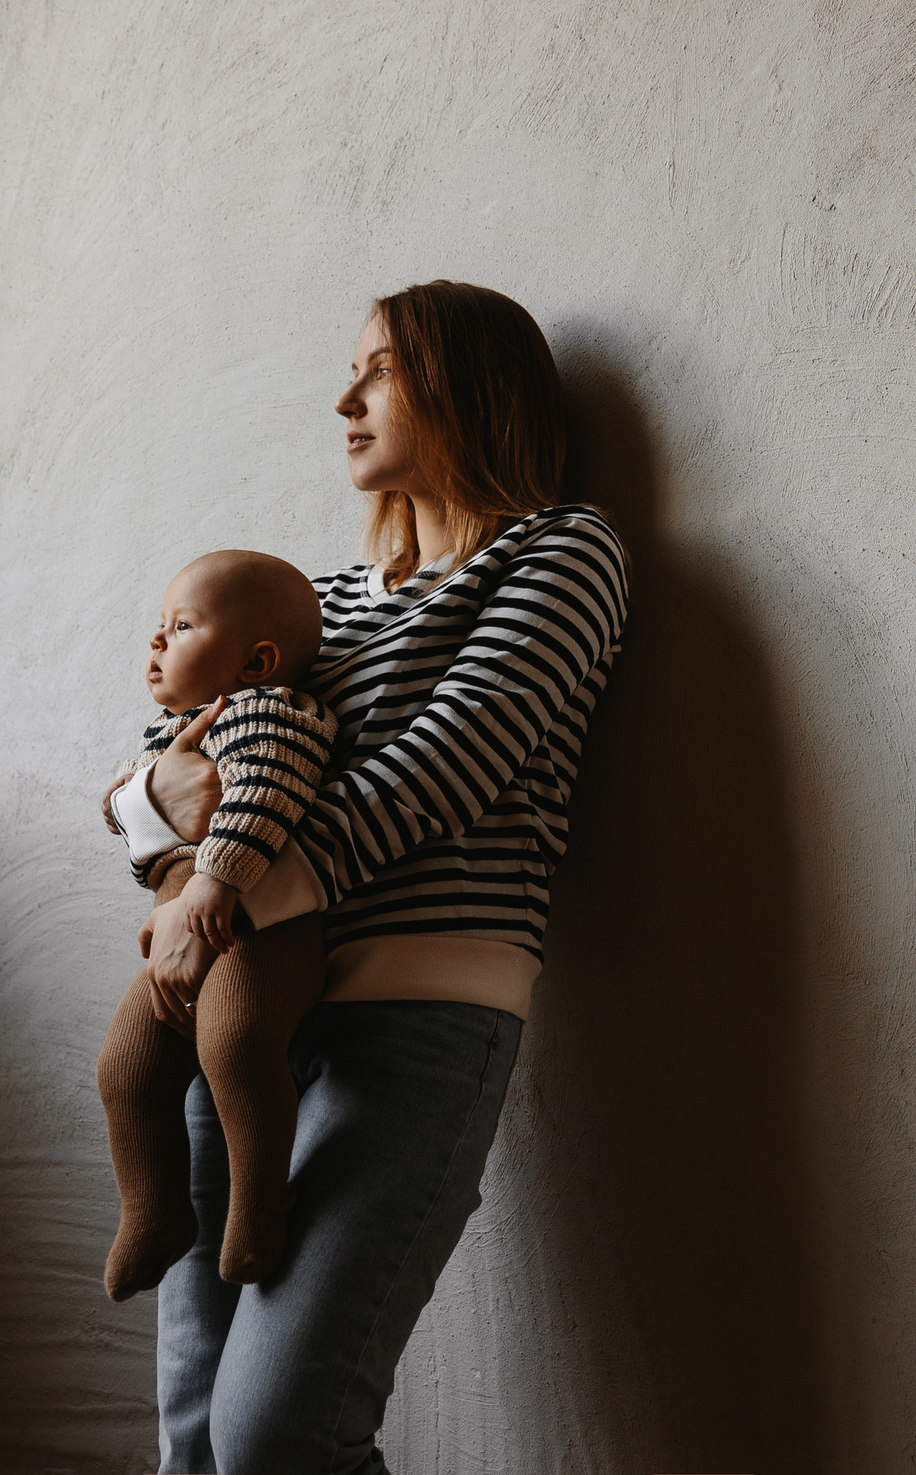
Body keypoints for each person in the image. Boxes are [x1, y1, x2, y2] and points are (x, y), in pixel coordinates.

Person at [116, 281, 630, 1472]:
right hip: (238, 1001)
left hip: (418, 1017)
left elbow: (445, 768)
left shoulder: (563, 550)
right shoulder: (323, 604)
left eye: (380, 369)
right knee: (191, 1434)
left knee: (275, 1430)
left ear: (469, 384)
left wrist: (219, 883)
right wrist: (149, 812)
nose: (344, 399)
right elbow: (175, 771)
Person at [95, 551, 339, 1301]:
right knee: (124, 1067)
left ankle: (260, 1201)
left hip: (259, 930)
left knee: (235, 1043)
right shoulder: (170, 731)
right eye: (159, 625)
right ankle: (154, 1210)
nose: (156, 641)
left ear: (256, 662)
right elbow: (131, 818)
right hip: (180, 930)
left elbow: (266, 788)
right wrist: (130, 798)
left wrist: (215, 876)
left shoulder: (274, 713)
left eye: (182, 626)